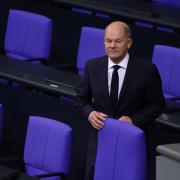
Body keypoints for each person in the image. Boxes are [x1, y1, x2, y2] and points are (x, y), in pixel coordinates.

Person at [75, 21, 165, 180]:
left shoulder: (147, 70)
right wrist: (90, 113)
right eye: (108, 41)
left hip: (131, 144)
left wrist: (133, 120)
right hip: (100, 142)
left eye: (117, 41)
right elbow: (80, 100)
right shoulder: (92, 67)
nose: (112, 45)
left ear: (129, 42)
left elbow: (157, 105)